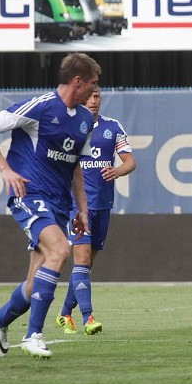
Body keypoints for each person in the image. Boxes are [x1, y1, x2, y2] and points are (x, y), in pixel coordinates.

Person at [0, 52, 101, 359]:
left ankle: (1, 318)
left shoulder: (86, 120)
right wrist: (5, 169)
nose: (97, 90)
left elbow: (75, 169)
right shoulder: (41, 106)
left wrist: (81, 210)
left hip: (59, 206)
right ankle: (33, 335)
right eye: (93, 83)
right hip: (30, 196)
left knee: (34, 285)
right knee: (60, 251)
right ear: (78, 81)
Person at [55, 87, 136, 336]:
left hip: (103, 206)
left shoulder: (113, 127)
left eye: (97, 95)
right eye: (88, 95)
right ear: (80, 98)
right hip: (77, 208)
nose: (93, 100)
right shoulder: (69, 127)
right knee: (81, 260)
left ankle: (65, 313)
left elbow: (130, 161)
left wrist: (118, 171)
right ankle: (88, 317)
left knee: (87, 265)